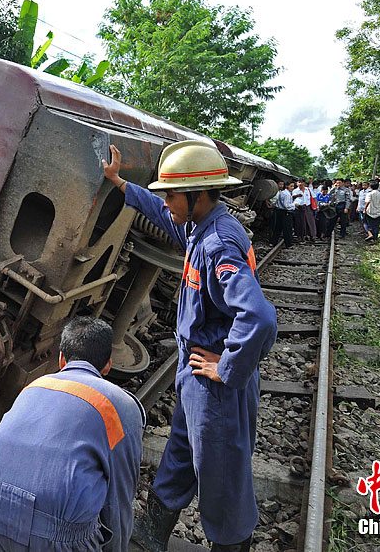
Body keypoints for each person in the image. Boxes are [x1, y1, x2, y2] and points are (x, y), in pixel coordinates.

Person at [103, 141, 277, 551]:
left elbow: (260, 317)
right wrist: (119, 183)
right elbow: (158, 214)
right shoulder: (199, 224)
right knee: (181, 453)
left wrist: (227, 367)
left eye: (172, 194)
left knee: (221, 474)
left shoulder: (218, 244)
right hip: (195, 373)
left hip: (216, 384)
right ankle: (152, 533)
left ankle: (231, 543)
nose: (167, 202)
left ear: (197, 195)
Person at [0, 316, 145, 551]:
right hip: (58, 540)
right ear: (107, 365)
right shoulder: (118, 404)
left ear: (62, 359)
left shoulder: (35, 385)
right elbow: (119, 498)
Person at [269, 181, 294, 248]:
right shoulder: (287, 194)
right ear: (287, 186)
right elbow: (286, 205)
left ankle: (273, 242)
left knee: (278, 228)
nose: (292, 188)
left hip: (279, 211)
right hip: (286, 212)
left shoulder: (282, 193)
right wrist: (294, 205)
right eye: (291, 186)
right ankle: (288, 244)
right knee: (287, 229)